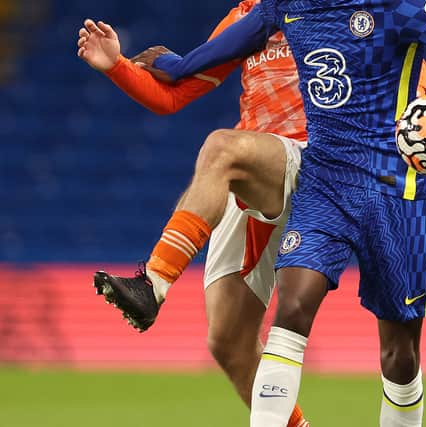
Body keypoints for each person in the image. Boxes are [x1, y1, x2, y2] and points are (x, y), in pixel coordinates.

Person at [141, 1, 426, 426]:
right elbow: (216, 53)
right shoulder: (288, 5)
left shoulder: (403, 6)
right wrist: (168, 66)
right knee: (292, 311)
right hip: (325, 183)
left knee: (399, 354)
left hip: (395, 192)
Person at [76, 2, 310, 426]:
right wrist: (116, 66)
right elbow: (173, 95)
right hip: (258, 167)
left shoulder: (346, 9)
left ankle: (154, 283)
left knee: (222, 147)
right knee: (228, 342)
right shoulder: (248, 16)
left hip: (317, 163)